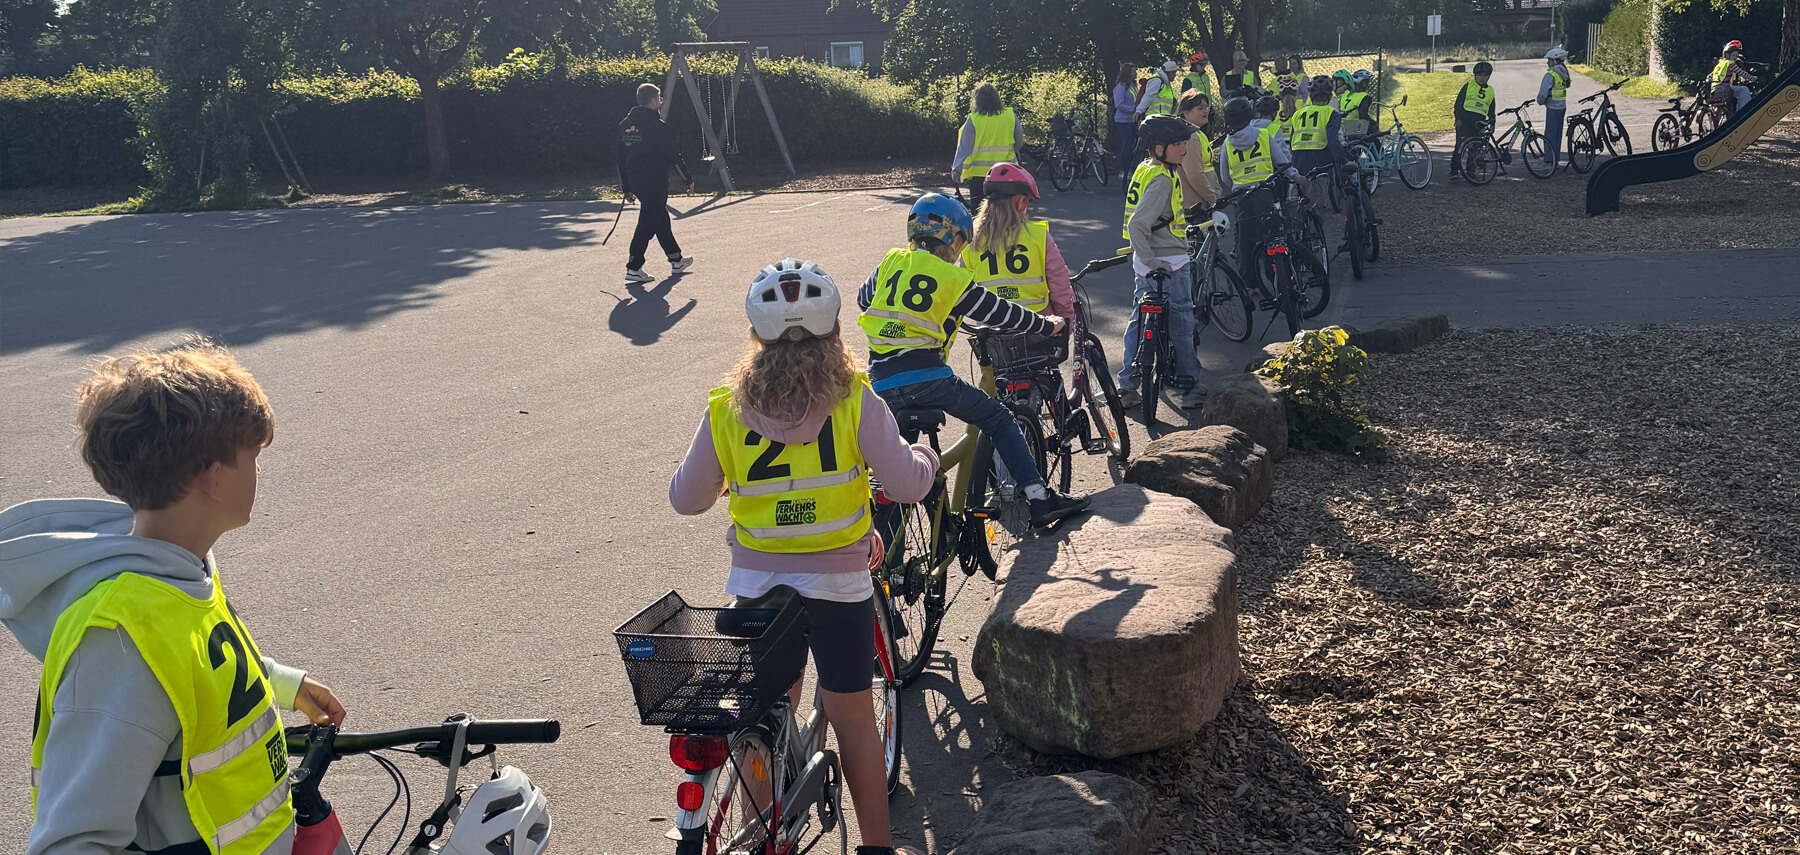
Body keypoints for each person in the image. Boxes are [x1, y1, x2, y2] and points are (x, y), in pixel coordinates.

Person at [1, 340, 348, 855]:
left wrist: (278, 682)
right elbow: (72, 841)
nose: (259, 471)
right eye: (253, 456)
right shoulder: (118, 641)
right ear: (213, 479)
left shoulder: (181, 566)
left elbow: (193, 669)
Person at [670, 259, 934, 855]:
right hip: (838, 588)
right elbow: (904, 483)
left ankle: (764, 835)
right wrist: (926, 459)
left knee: (765, 713)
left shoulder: (726, 408)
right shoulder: (854, 400)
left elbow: (687, 499)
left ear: (756, 335)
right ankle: (876, 847)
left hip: (757, 588)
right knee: (853, 719)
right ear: (834, 330)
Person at [857, 194, 1091, 528]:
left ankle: (889, 546)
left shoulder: (891, 260)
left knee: (896, 466)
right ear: (953, 239)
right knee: (999, 418)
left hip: (879, 382)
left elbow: (863, 298)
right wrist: (1047, 324)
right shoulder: (951, 278)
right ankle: (1040, 498)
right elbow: (1001, 312)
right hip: (928, 379)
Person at [1119, 114, 1208, 410]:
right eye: (1178, 144)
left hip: (1145, 264)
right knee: (1182, 324)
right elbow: (1137, 225)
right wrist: (1154, 260)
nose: (1185, 148)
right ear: (1160, 148)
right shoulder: (1162, 180)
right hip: (1169, 263)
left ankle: (1128, 385)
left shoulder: (1147, 168)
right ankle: (1190, 386)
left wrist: (1145, 259)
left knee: (1138, 322)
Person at [963, 163, 1076, 322]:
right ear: (1021, 202)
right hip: (1038, 324)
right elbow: (1060, 284)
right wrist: (1065, 320)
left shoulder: (971, 239)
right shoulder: (1039, 236)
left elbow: (962, 290)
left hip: (991, 328)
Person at [1217, 96, 1301, 288]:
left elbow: (1224, 176)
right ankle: (1280, 274)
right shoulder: (1263, 135)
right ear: (1250, 115)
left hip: (1243, 197)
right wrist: (1296, 177)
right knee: (1274, 234)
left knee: (1245, 241)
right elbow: (1282, 162)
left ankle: (1249, 281)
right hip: (1265, 192)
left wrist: (1237, 185)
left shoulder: (1227, 144)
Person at [619, 83, 696, 283]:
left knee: (659, 218)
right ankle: (634, 266)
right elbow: (672, 155)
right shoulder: (658, 126)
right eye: (659, 98)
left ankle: (676, 259)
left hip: (636, 181)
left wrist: (627, 187)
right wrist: (687, 178)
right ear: (653, 101)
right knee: (647, 222)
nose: (660, 102)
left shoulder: (625, 126)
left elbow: (620, 158)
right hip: (654, 181)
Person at [952, 81, 1024, 206]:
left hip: (979, 176)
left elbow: (964, 148)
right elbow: (1019, 141)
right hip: (1006, 173)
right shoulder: (1010, 116)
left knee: (979, 212)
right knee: (1006, 211)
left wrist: (956, 170)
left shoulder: (973, 120)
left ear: (977, 100)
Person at [1290, 75, 1353, 177]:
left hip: (1298, 158)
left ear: (1311, 96)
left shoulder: (1298, 114)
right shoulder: (1331, 113)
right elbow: (1332, 139)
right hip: (1320, 158)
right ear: (1330, 96)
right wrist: (1343, 161)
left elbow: (1292, 140)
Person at [1176, 91, 1220, 215]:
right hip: (1195, 205)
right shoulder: (1190, 137)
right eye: (1200, 108)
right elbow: (1194, 174)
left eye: (1207, 107)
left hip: (1202, 202)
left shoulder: (1197, 133)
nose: (1206, 111)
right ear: (1186, 113)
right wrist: (1212, 199)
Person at [1451, 61, 1496, 179]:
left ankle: (1470, 171)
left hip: (1479, 122)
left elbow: (1491, 108)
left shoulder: (1490, 90)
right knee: (1460, 146)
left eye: (1485, 75)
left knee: (1475, 148)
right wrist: (1458, 118)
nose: (1482, 78)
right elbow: (1459, 103)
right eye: (1479, 75)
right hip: (1465, 120)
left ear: (1489, 76)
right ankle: (1454, 170)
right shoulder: (1469, 85)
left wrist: (1492, 123)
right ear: (1475, 75)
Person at [1538, 47, 1572, 169]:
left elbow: (1543, 94)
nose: (1548, 63)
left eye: (1549, 60)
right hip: (1561, 106)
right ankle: (1555, 158)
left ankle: (1549, 161)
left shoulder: (1551, 75)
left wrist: (1540, 101)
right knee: (1557, 134)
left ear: (1554, 61)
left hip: (1552, 107)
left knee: (1550, 135)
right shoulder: (1564, 73)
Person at [1710, 40, 1758, 113]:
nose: (1735, 57)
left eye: (1736, 55)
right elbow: (1742, 73)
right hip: (1724, 89)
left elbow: (1710, 75)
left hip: (1714, 90)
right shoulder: (1730, 63)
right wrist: (1753, 78)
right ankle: (1744, 112)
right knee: (1744, 89)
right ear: (1727, 55)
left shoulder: (1720, 63)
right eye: (1733, 55)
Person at [1114, 63, 1141, 177]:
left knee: (1132, 145)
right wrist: (1133, 109)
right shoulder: (1121, 87)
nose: (1135, 74)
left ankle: (1129, 168)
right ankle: (1123, 169)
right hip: (1123, 121)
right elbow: (1119, 104)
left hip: (1132, 120)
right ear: (1127, 73)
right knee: (1127, 145)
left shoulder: (1133, 86)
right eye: (1133, 72)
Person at [1341, 69, 1377, 139]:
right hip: (1356, 128)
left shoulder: (1345, 94)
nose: (1367, 85)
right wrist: (1373, 124)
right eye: (1365, 83)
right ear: (1360, 82)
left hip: (1343, 127)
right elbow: (1363, 115)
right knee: (1375, 140)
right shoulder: (1364, 97)